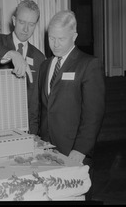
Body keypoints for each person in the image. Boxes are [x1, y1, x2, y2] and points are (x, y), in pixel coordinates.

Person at [29, 10, 105, 199]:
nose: (54, 44)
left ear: (74, 36)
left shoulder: (88, 64)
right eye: (51, 38)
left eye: (60, 39)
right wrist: (36, 139)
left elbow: (93, 114)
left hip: (74, 150)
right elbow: (41, 107)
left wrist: (80, 149)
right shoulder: (45, 65)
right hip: (47, 149)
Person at [0, 0, 46, 130]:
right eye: (22, 22)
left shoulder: (39, 57)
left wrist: (32, 132)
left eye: (31, 24)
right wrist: (13, 54)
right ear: (14, 21)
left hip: (25, 126)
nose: (26, 29)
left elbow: (34, 102)